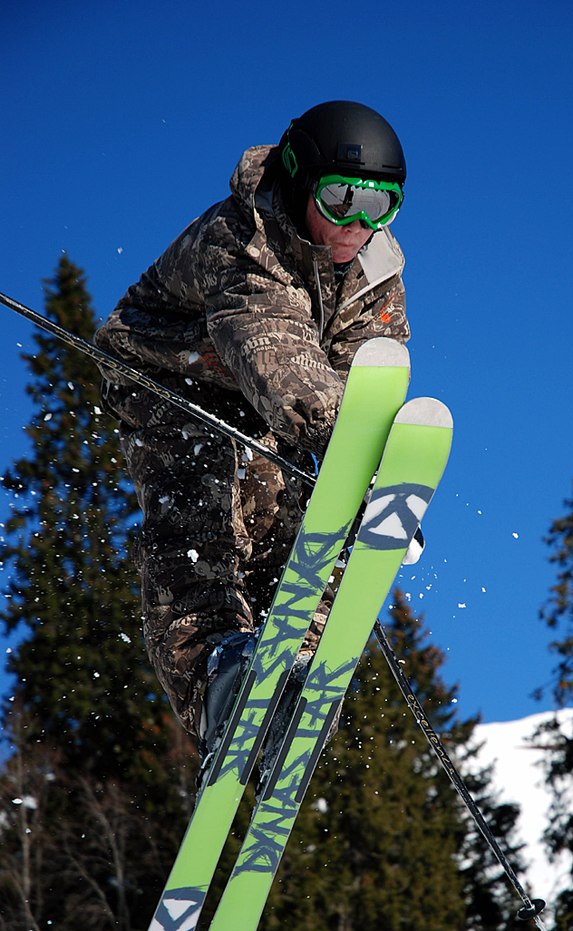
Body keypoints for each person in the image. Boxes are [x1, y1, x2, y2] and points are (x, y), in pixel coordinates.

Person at [96, 100, 410, 764]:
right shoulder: (241, 236)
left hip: (274, 409)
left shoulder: (374, 273)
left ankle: (293, 671)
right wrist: (352, 445)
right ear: (297, 182)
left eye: (381, 205)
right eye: (342, 197)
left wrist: (371, 480)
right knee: (201, 500)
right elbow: (274, 345)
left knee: (300, 520)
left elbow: (363, 369)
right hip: (170, 379)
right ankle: (218, 671)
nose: (359, 222)